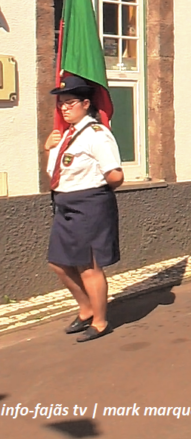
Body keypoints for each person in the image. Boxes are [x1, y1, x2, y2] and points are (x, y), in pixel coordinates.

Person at [45, 74, 124, 343]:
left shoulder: (96, 135)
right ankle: (86, 307)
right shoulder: (65, 135)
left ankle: (100, 321)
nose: (64, 108)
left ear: (86, 103)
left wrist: (93, 195)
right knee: (59, 262)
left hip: (89, 203)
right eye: (61, 104)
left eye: (70, 102)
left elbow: (115, 175)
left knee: (89, 266)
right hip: (64, 204)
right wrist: (48, 149)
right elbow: (54, 173)